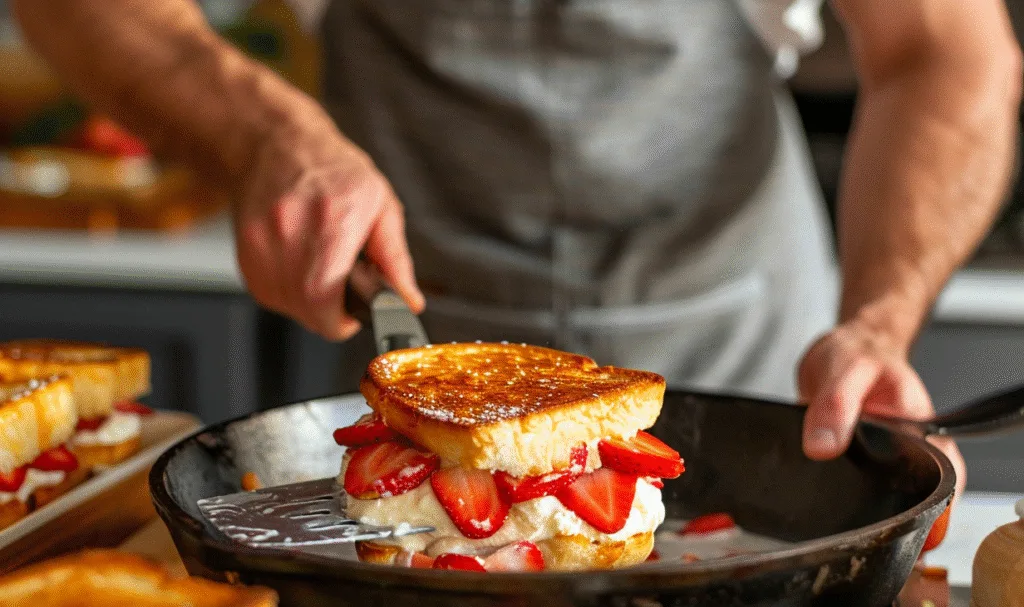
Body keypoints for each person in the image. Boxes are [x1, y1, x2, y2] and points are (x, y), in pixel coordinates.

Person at [12, 0, 1022, 495]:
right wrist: (261, 137)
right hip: (396, 349)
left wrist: (880, 318)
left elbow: (947, 52)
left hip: (744, 354)